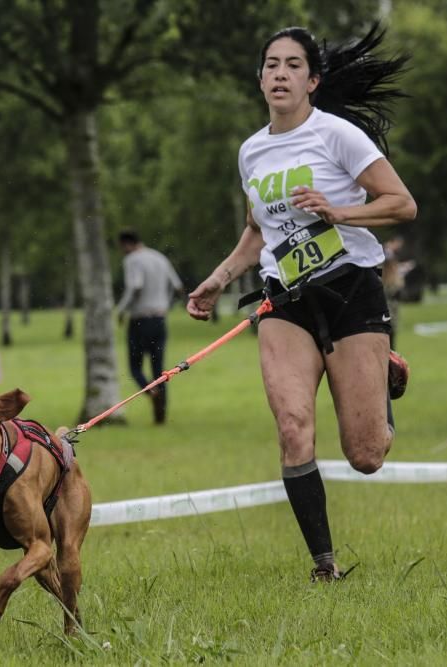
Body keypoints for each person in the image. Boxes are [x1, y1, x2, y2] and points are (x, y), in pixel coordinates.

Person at [186, 26, 417, 582]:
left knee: (365, 456)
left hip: (350, 290)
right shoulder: (252, 151)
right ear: (260, 79)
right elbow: (258, 230)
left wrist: (339, 211)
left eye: (293, 65)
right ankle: (324, 565)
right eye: (271, 65)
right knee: (292, 428)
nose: (280, 74)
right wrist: (218, 279)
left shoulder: (338, 136)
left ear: (312, 80)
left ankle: (382, 369)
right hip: (285, 300)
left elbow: (402, 204)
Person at [116, 230, 184, 424]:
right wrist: (165, 304)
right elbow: (178, 286)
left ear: (126, 244)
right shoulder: (159, 257)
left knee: (135, 367)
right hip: (159, 320)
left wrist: (121, 310)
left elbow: (135, 286)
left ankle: (151, 392)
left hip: (139, 320)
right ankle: (160, 416)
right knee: (159, 370)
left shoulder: (133, 260)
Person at [381, 235, 415, 350]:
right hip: (388, 302)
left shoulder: (390, 258)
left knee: (392, 332)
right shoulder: (386, 253)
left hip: (391, 301)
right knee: (390, 331)